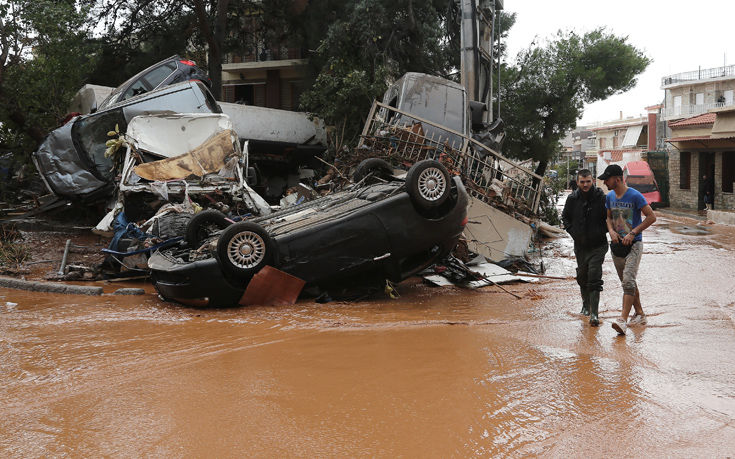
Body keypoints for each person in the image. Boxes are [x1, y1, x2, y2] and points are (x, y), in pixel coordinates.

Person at [598, 164, 657, 336]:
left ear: (617, 179)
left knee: (628, 281)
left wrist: (633, 232)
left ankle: (622, 320)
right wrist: (611, 231)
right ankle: (640, 314)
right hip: (617, 246)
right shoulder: (609, 197)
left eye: (606, 179)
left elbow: (652, 217)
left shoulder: (635, 195)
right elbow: (608, 217)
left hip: (634, 245)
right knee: (628, 282)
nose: (605, 182)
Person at [562, 169, 608, 326]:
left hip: (598, 245)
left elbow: (610, 217)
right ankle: (585, 305)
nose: (585, 184)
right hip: (580, 245)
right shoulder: (572, 199)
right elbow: (565, 217)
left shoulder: (601, 198)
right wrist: (573, 232)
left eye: (588, 181)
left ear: (592, 181)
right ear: (577, 182)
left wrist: (603, 231)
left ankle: (594, 314)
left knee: (594, 276)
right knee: (582, 276)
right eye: (582, 182)